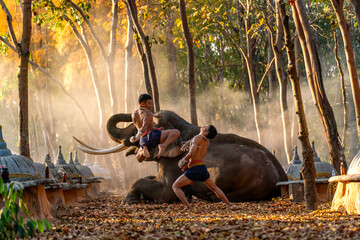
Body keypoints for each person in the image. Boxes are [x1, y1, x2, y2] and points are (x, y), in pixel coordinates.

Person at [172, 125, 232, 209]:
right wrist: (189, 142)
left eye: (205, 127)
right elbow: (202, 153)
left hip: (194, 168)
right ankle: (228, 203)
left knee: (175, 186)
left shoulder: (197, 138)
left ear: (206, 133)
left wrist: (183, 161)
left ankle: (188, 206)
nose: (203, 126)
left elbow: (191, 153)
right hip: (202, 167)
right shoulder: (206, 142)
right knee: (214, 188)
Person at [130, 94, 180, 161]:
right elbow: (144, 127)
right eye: (149, 103)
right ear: (142, 104)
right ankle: (163, 146)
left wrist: (137, 138)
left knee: (139, 158)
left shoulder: (133, 114)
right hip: (152, 135)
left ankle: (143, 151)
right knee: (176, 132)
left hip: (142, 139)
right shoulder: (148, 113)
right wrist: (137, 137)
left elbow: (140, 127)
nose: (150, 105)